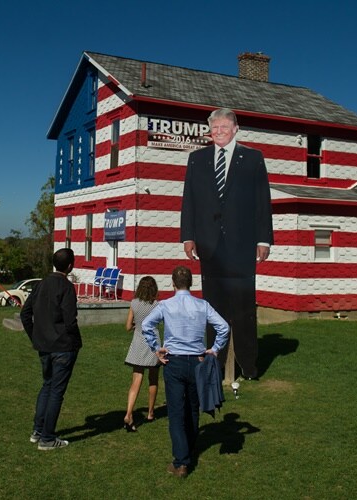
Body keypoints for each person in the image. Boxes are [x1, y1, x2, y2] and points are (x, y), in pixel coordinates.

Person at [180, 107, 273, 380]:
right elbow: (190, 201)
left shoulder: (253, 158)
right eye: (215, 128)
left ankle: (249, 365)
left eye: (224, 127)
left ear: (235, 129)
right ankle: (215, 363)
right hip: (209, 245)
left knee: (244, 309)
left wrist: (263, 239)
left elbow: (262, 202)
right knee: (213, 309)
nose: (219, 132)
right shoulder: (197, 159)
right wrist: (188, 236)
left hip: (243, 245)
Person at [142, 266, 229, 478]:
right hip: (198, 361)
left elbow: (146, 324)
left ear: (173, 283)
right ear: (191, 283)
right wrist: (215, 349)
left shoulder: (166, 305)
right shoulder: (202, 305)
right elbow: (224, 327)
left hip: (174, 361)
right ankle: (188, 450)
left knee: (176, 411)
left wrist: (156, 347)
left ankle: (181, 461)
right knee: (192, 408)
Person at [20, 248, 82, 451]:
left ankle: (38, 431)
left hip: (44, 346)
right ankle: (47, 438)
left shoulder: (40, 284)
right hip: (63, 346)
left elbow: (25, 313)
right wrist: (73, 341)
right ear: (70, 266)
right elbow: (70, 320)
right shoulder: (66, 287)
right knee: (56, 391)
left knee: (47, 386)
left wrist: (36, 336)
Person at [123, 276, 160, 432]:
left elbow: (127, 326)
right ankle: (151, 412)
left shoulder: (134, 303)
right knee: (153, 379)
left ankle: (129, 412)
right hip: (153, 344)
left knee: (136, 380)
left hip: (138, 342)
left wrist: (135, 326)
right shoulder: (157, 305)